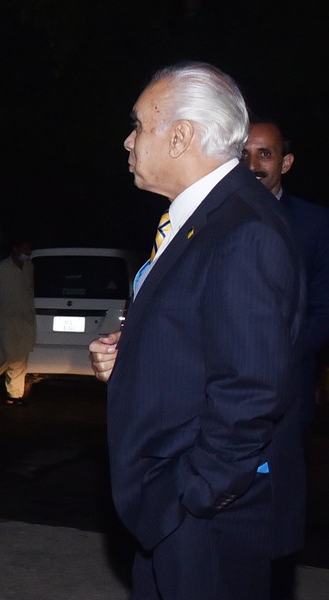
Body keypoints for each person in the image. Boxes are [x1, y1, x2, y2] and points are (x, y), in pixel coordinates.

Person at [87, 62, 306, 600]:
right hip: (175, 509)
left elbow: (251, 390)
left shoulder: (243, 230)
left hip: (203, 519)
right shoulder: (200, 218)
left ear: (180, 136)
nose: (129, 140)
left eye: (140, 125)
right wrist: (133, 354)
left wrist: (193, 496)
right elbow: (205, 337)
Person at [243, 119, 329, 431]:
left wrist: (274, 357)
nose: (252, 165)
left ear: (286, 162)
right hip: (214, 389)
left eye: (264, 154)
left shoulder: (315, 223)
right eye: (244, 154)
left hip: (287, 391)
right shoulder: (212, 217)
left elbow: (323, 308)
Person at [0, 239, 37, 403]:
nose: (27, 252)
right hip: (6, 319)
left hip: (25, 320)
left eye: (29, 249)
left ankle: (15, 395)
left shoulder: (29, 267)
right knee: (5, 356)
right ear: (15, 249)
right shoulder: (0, 268)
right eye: (24, 248)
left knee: (20, 359)